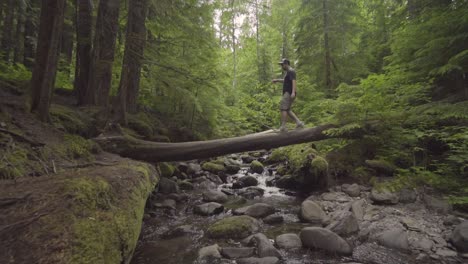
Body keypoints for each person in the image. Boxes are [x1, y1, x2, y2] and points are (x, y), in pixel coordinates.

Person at [272, 58, 304, 132]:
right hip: (289, 92)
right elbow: (285, 81)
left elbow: (294, 81)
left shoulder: (291, 71)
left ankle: (283, 127)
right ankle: (298, 123)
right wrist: (277, 80)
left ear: (286, 64)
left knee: (283, 108)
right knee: (288, 109)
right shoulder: (289, 72)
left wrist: (293, 92)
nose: (282, 66)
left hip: (289, 93)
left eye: (282, 65)